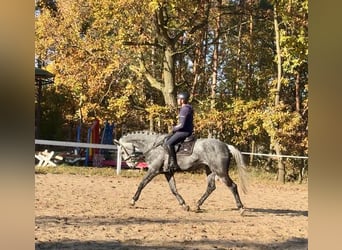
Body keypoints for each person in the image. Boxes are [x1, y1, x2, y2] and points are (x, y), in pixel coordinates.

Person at [163, 92, 194, 172]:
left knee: (168, 143)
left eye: (178, 99)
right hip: (185, 130)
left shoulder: (185, 109)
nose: (177, 100)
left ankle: (174, 163)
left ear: (182, 100)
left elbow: (181, 125)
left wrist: (173, 129)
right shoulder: (186, 108)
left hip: (184, 131)